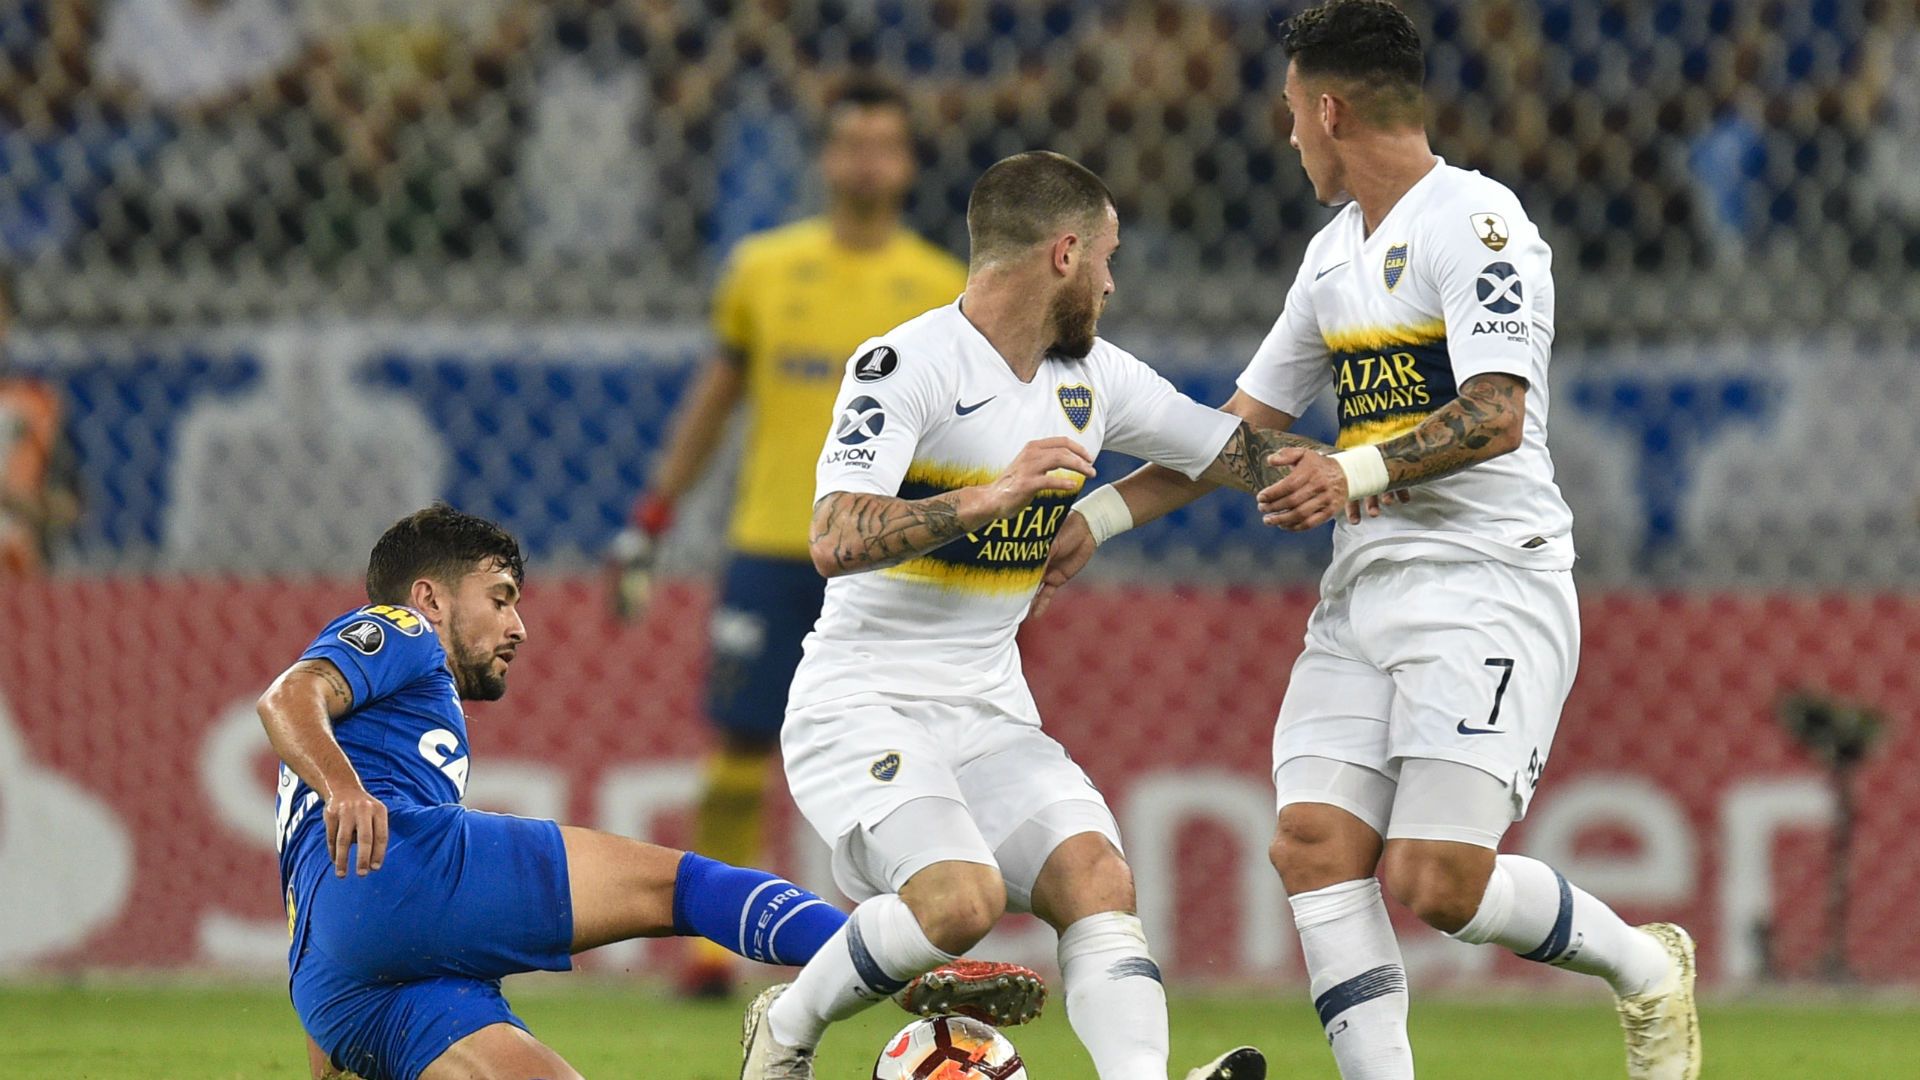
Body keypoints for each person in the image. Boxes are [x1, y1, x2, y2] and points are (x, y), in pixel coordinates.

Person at [1032, 4, 1701, 1079]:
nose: (1288, 132)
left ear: (1329, 108)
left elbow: (1496, 414)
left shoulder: (1478, 226)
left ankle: (1645, 967)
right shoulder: (1334, 255)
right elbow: (1240, 437)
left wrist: (1349, 470)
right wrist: (1098, 519)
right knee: (1312, 847)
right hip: (1366, 589)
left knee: (1438, 882)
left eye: (1293, 111)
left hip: (1486, 585)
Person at [739, 150, 1297, 1080]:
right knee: (962, 903)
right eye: (1110, 258)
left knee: (1098, 880)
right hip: (862, 703)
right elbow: (833, 537)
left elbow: (1224, 451)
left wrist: (1372, 472)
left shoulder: (1096, 377)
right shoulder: (903, 364)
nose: (1115, 283)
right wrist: (984, 501)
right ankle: (785, 1030)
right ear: (1066, 254)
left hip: (989, 711)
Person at [263, 505, 1040, 1080]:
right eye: (500, 597)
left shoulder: (389, 727)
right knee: (687, 886)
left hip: (331, 977)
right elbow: (287, 697)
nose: (519, 626)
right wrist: (345, 789)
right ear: (430, 597)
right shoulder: (398, 626)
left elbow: (330, 914)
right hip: (405, 870)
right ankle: (891, 970)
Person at [605, 75, 968, 996]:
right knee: (735, 750)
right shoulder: (763, 268)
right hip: (772, 541)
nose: (867, 162)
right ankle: (709, 953)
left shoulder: (937, 286)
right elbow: (716, 400)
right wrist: (653, 517)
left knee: (910, 752)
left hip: (888, 553)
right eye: (851, 144)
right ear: (825, 158)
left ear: (910, 163)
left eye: (885, 145)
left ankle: (908, 940)